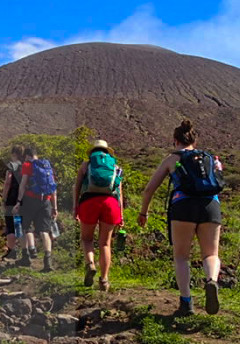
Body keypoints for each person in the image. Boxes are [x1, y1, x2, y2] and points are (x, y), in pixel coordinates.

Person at [138, 119, 224, 316]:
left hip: (183, 206)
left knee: (181, 257)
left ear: (175, 140)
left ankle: (186, 303)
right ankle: (211, 280)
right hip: (210, 205)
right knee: (211, 254)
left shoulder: (172, 159)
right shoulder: (210, 158)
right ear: (194, 140)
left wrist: (144, 212)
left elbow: (149, 189)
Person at [73, 139, 125, 292]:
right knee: (105, 243)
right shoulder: (115, 167)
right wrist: (121, 216)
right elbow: (119, 194)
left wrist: (75, 207)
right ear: (107, 152)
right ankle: (104, 280)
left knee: (87, 238)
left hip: (89, 203)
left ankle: (90, 264)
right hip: (110, 204)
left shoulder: (86, 165)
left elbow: (77, 187)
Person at [14, 144, 58, 271]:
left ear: (27, 156)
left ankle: (25, 257)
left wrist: (18, 201)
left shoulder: (27, 165)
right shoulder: (47, 166)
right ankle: (47, 262)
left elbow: (22, 185)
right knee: (44, 231)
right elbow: (53, 189)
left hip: (29, 200)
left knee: (24, 227)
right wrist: (55, 207)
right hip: (46, 202)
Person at [1, 144, 25, 260]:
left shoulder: (12, 166)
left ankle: (12, 251)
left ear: (14, 154)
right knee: (20, 225)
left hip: (12, 198)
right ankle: (25, 252)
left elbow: (7, 183)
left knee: (10, 225)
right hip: (24, 200)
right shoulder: (26, 166)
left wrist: (4, 198)